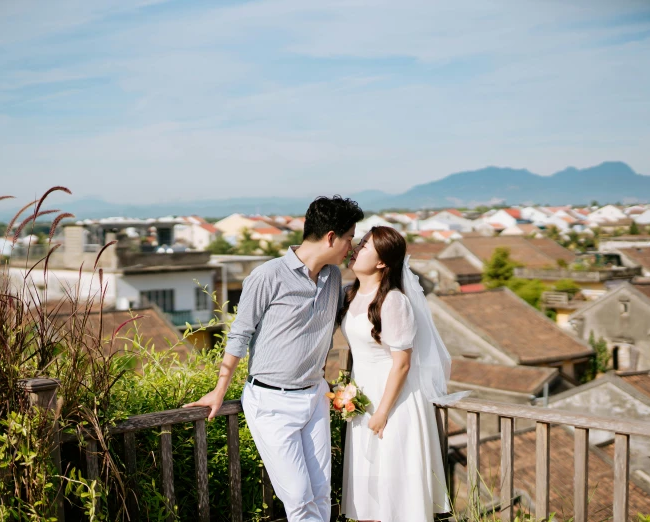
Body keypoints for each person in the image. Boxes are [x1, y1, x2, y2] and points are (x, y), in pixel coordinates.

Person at [185, 196, 364, 522]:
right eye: (349, 238)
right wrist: (219, 390)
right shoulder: (267, 276)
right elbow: (239, 335)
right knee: (297, 496)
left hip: (315, 396)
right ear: (330, 237)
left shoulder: (333, 277)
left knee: (321, 492)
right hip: (271, 400)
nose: (350, 247)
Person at [339, 226, 451, 522]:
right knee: (368, 494)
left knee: (394, 492)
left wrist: (382, 412)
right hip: (363, 400)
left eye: (364, 246)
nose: (356, 249)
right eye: (360, 243)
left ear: (381, 262)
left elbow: (402, 363)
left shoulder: (393, 301)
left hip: (393, 403)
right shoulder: (350, 295)